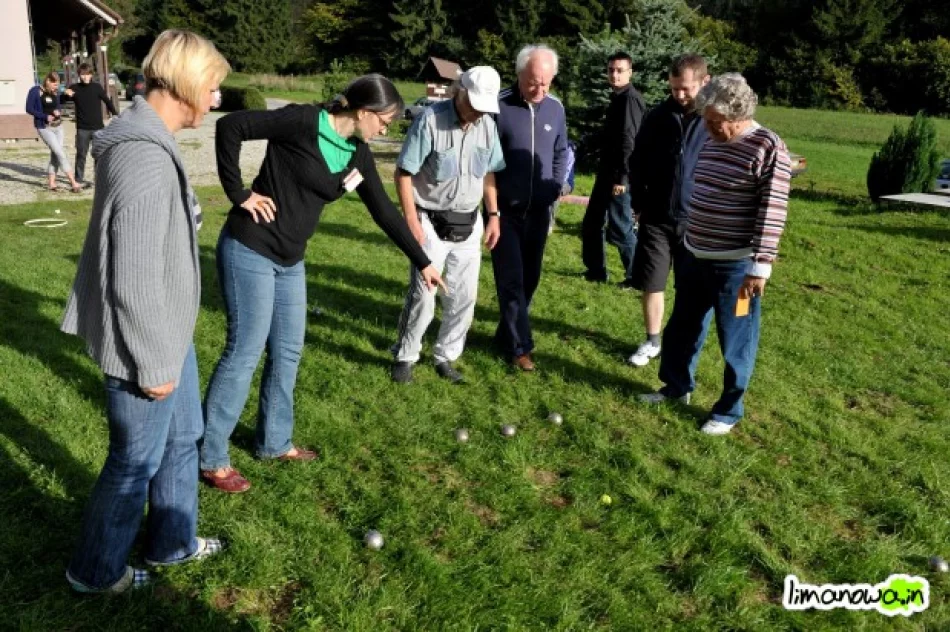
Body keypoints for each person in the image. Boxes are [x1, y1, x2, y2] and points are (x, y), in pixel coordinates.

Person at [202, 74, 445, 493]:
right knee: (245, 350)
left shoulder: (357, 155)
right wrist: (238, 193)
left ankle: (274, 443)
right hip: (250, 248)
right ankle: (210, 456)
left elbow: (385, 212)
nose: (385, 130)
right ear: (364, 112)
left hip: (290, 259)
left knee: (288, 351)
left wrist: (422, 261)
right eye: (384, 122)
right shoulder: (301, 121)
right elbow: (231, 127)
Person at [61, 30, 230, 594]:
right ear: (185, 83)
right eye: (212, 88)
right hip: (146, 340)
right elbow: (132, 279)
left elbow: (146, 232)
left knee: (184, 437)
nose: (215, 101)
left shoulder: (149, 140)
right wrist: (154, 365)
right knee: (134, 461)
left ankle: (171, 543)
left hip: (168, 328)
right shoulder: (143, 154)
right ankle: (95, 572)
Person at [639, 73, 791, 435]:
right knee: (682, 328)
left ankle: (728, 409)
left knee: (736, 338)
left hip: (737, 267)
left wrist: (760, 267)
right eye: (705, 120)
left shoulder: (768, 147)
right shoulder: (710, 136)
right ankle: (677, 388)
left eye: (715, 122)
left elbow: (772, 211)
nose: (707, 128)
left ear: (738, 116)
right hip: (694, 254)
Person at [390, 66, 505, 384]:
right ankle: (405, 355)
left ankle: (446, 356)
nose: (479, 112)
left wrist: (493, 215)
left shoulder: (487, 126)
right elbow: (404, 173)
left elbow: (490, 173)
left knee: (464, 297)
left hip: (471, 221)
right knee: (423, 294)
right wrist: (411, 220)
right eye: (475, 104)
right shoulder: (430, 120)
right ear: (461, 92)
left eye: (486, 106)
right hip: (429, 219)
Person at [627, 54, 710, 367]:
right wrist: (639, 203)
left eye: (686, 89)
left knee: (690, 290)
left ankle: (683, 346)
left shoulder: (713, 119)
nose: (680, 95)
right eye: (675, 88)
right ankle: (652, 341)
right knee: (652, 283)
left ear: (705, 82)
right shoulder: (658, 116)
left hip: (697, 219)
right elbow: (637, 161)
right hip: (657, 217)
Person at [492, 44, 569, 371]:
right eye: (532, 82)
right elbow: (487, 161)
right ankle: (521, 348)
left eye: (546, 83)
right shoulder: (498, 106)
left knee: (529, 280)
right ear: (519, 74)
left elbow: (561, 150)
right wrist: (491, 209)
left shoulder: (555, 108)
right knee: (510, 279)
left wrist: (554, 186)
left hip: (539, 211)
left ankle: (504, 337)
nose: (539, 90)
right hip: (505, 212)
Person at [580, 52, 644, 286]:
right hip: (606, 172)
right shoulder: (617, 98)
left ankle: (636, 276)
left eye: (619, 70)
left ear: (630, 72)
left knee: (620, 227)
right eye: (611, 70)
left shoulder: (630, 99)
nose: (614, 74)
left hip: (619, 176)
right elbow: (612, 135)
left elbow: (629, 140)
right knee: (592, 223)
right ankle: (596, 271)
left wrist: (623, 178)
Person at [25, 72, 82, 192]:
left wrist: (58, 111)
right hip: (44, 128)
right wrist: (45, 116)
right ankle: (73, 182)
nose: (56, 87)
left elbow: (56, 105)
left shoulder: (54, 92)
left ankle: (51, 182)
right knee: (60, 153)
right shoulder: (35, 91)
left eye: (57, 85)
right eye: (54, 85)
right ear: (47, 81)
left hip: (58, 127)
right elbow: (29, 109)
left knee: (55, 154)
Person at [64, 62, 118, 187]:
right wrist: (65, 95)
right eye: (83, 75)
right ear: (79, 75)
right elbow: (64, 100)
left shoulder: (97, 87)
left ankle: (98, 179)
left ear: (91, 75)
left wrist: (115, 113)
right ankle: (78, 179)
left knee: (99, 154)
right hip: (82, 128)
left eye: (87, 74)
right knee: (81, 154)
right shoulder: (74, 88)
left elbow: (107, 100)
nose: (85, 77)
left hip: (98, 128)